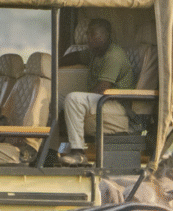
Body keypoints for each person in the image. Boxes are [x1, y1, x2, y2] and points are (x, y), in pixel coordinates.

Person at [58, 18, 136, 166]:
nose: (89, 38)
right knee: (56, 98)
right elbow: (76, 56)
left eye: (94, 35)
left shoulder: (113, 55)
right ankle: (51, 149)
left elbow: (102, 89)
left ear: (107, 35)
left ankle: (78, 153)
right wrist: (55, 62)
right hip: (102, 102)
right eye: (88, 34)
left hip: (116, 106)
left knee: (73, 99)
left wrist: (74, 107)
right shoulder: (95, 52)